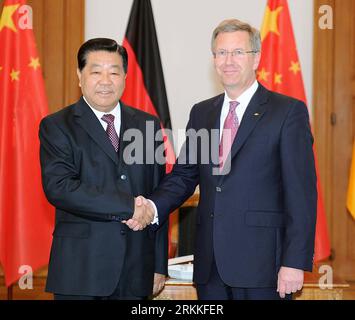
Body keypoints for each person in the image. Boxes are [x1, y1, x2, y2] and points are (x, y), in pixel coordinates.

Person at [127, 19, 317, 300]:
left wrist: (294, 262)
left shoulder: (287, 112)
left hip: (265, 267)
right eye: (221, 53)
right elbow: (183, 176)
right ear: (213, 59)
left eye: (238, 52)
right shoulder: (202, 112)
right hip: (210, 266)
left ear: (256, 58)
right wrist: (151, 207)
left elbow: (301, 193)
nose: (228, 60)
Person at [39, 38, 167, 300]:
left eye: (114, 72)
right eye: (96, 72)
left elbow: (158, 194)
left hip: (136, 271)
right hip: (81, 271)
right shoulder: (57, 126)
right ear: (79, 76)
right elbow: (60, 188)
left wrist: (158, 265)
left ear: (125, 77)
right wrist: (128, 206)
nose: (106, 81)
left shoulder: (148, 125)